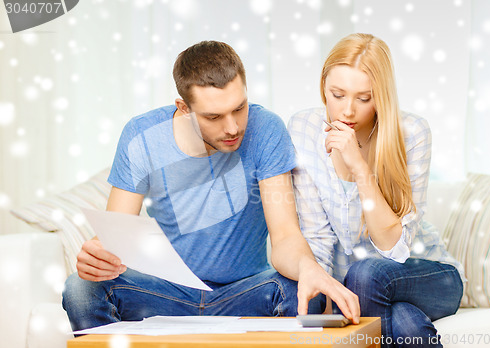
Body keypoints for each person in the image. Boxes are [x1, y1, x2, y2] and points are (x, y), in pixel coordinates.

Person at [62, 40, 360, 331]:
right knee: (80, 288)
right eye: (213, 117)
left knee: (306, 287)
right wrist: (98, 257)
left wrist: (309, 267)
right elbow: (116, 239)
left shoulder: (267, 128)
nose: (232, 127)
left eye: (239, 108)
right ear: (183, 107)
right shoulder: (142, 136)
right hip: (165, 294)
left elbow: (284, 236)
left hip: (245, 293)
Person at [287, 33, 465, 347]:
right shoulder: (303, 128)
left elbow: (394, 248)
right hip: (364, 290)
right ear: (323, 87)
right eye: (337, 94)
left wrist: (359, 167)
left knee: (366, 273)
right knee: (402, 320)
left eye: (364, 98)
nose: (347, 111)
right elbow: (316, 239)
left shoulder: (411, 132)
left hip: (428, 275)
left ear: (380, 96)